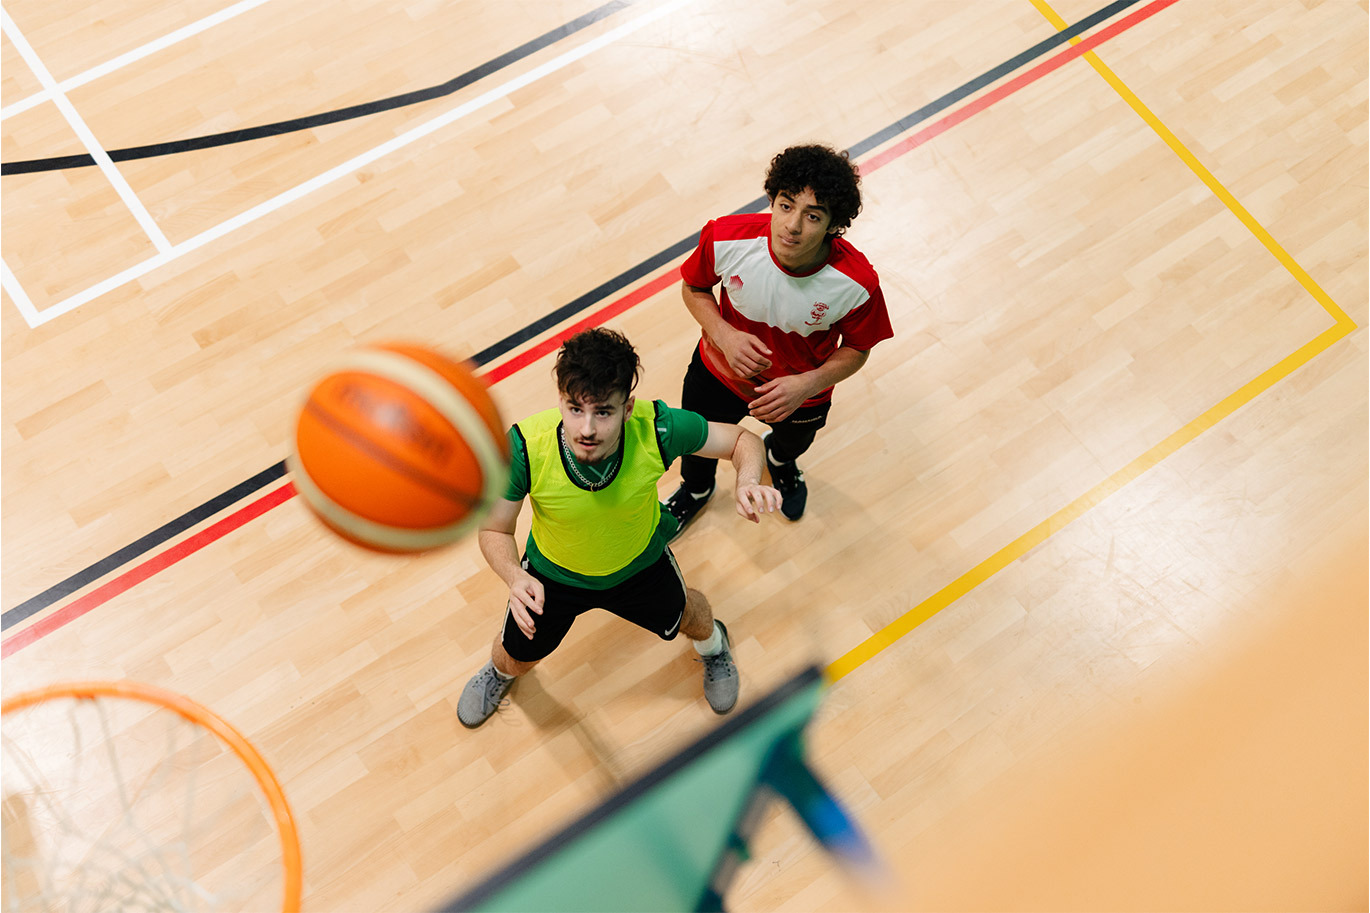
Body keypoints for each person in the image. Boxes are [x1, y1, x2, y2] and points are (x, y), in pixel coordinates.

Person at [457, 328, 782, 729]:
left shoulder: (658, 429)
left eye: (603, 412)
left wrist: (749, 479)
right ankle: (500, 674)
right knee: (516, 656)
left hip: (641, 565)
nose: (587, 429)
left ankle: (714, 646)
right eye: (575, 409)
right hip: (550, 576)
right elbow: (494, 530)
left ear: (627, 408)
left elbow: (741, 441)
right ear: (560, 400)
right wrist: (513, 575)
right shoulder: (525, 447)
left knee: (689, 616)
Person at [663, 143, 893, 536]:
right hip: (718, 374)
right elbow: (694, 287)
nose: (792, 225)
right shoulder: (725, 237)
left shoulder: (857, 282)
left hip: (800, 395)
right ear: (773, 198)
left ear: (832, 224)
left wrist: (807, 384)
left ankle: (780, 462)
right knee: (696, 443)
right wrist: (724, 335)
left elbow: (858, 349)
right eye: (786, 206)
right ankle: (697, 490)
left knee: (790, 446)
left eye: (812, 215)